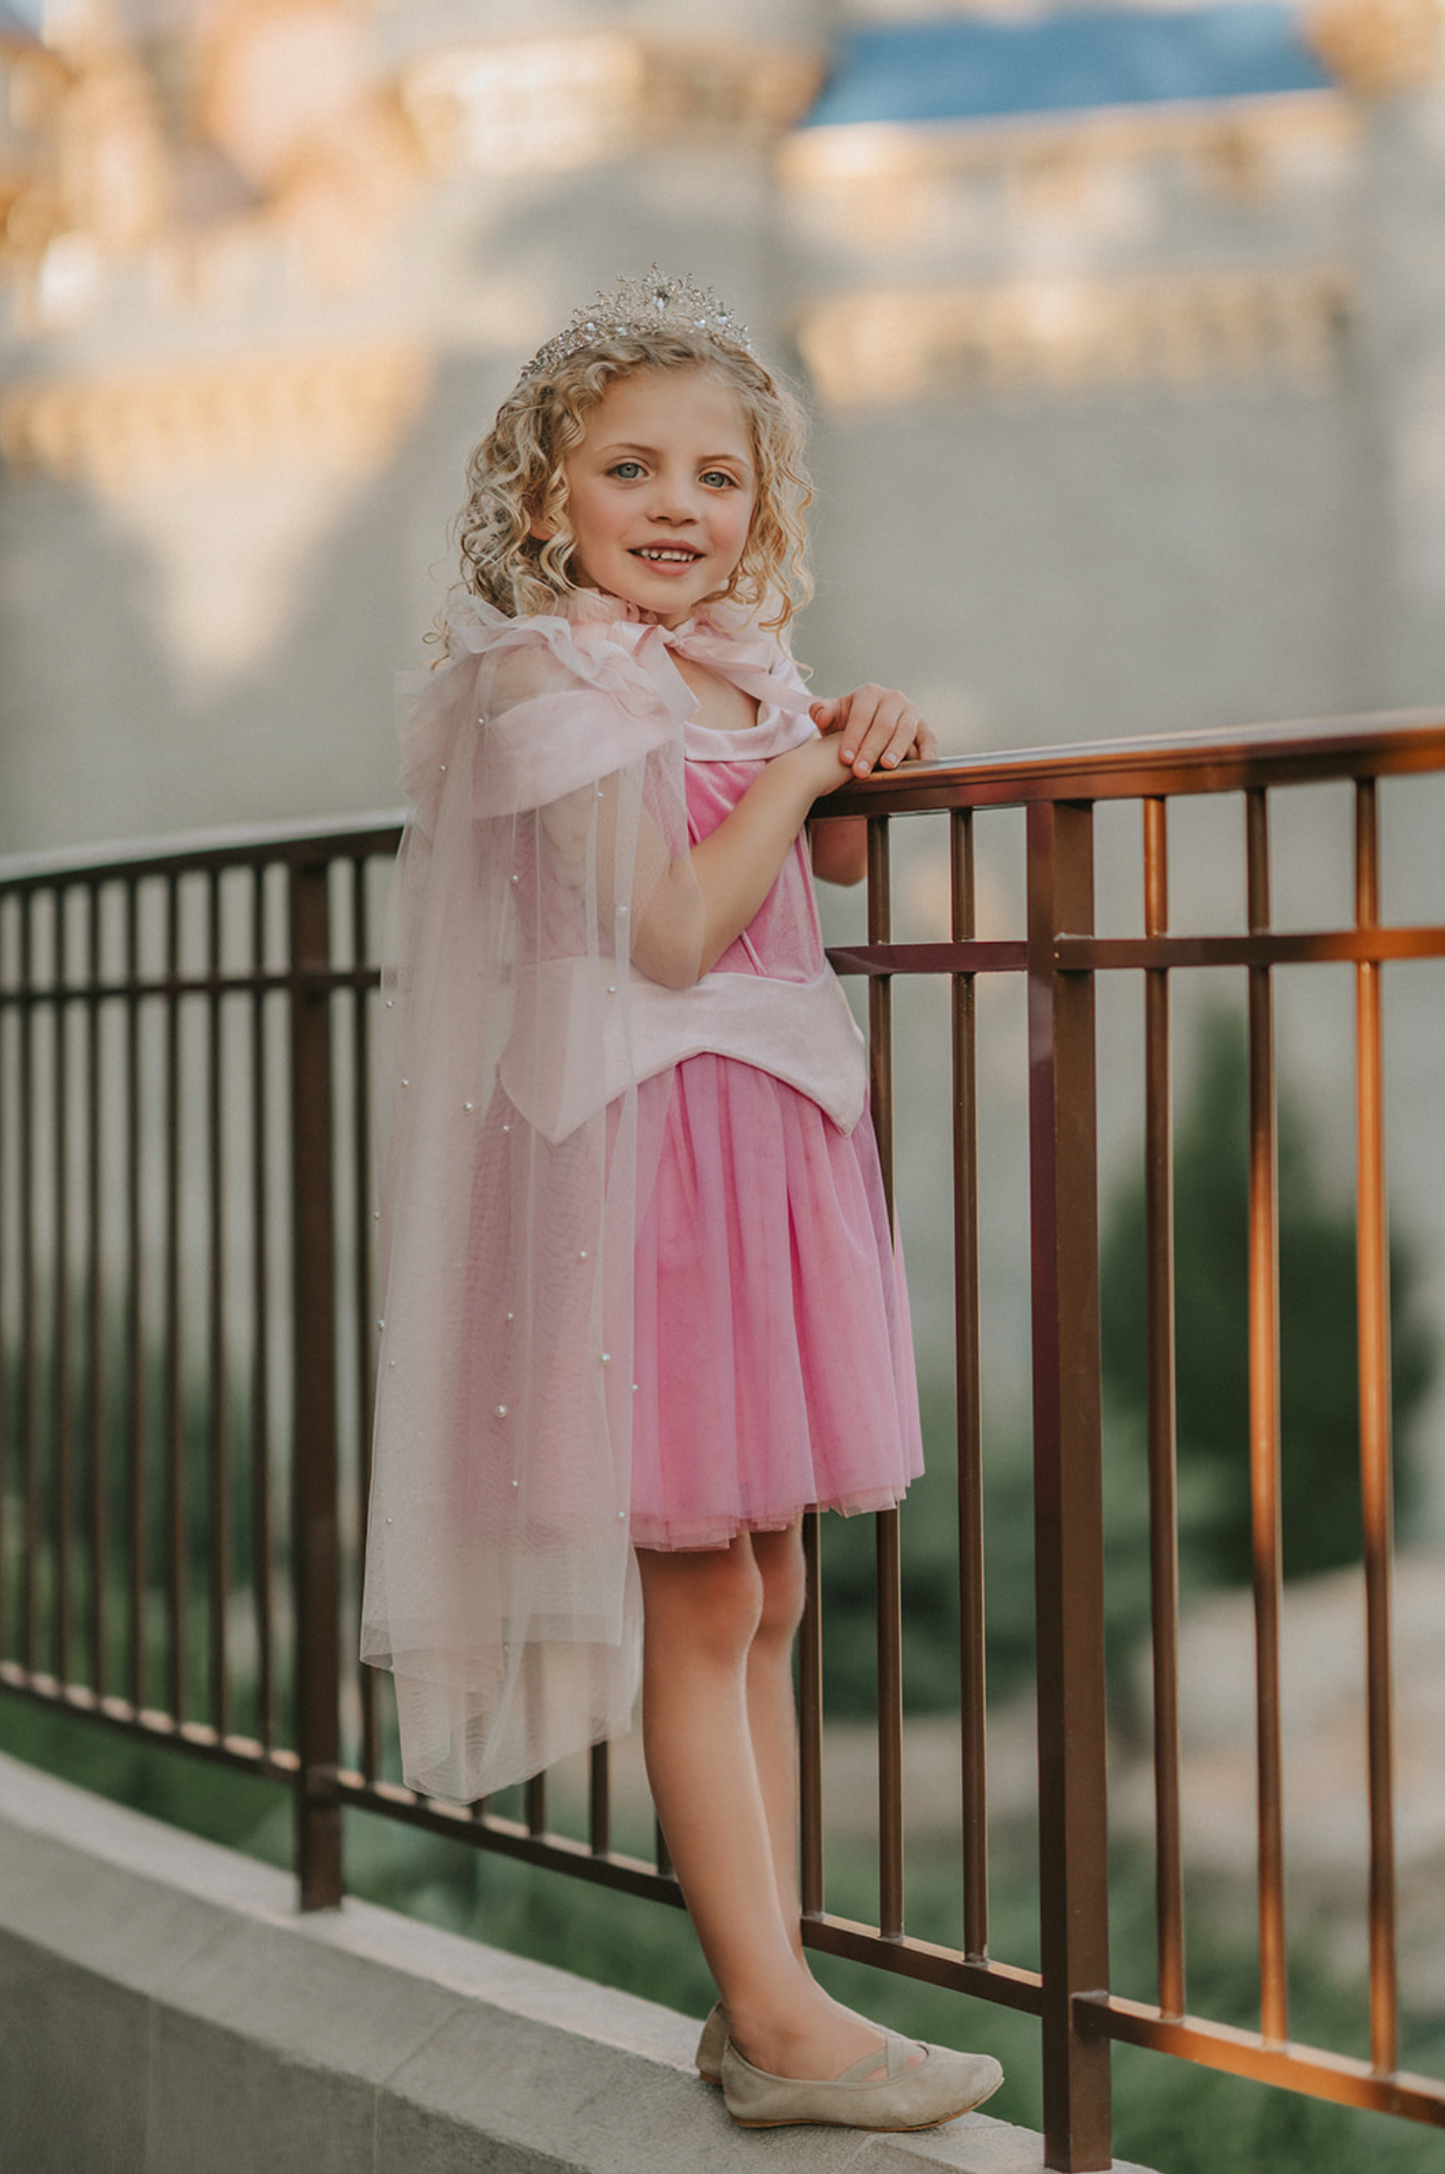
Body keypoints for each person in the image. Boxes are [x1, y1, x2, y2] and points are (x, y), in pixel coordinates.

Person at [361, 271, 1003, 2133]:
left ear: (760, 502)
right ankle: (777, 2019)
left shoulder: (745, 659)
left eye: (714, 477)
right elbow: (663, 921)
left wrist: (851, 733)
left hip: (773, 1138)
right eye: (628, 467)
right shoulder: (539, 674)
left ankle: (772, 1986)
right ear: (546, 493)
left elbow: (806, 861)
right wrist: (799, 763)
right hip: (642, 1163)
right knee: (700, 1590)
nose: (675, 507)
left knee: (774, 1578)